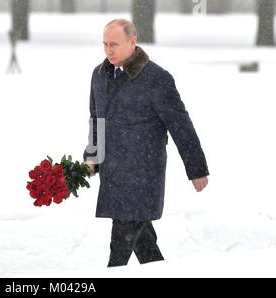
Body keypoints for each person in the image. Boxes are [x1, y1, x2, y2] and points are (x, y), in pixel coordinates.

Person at [82, 19, 209, 267]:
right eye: (105, 44)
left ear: (133, 41)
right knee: (145, 247)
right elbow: (96, 121)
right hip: (114, 175)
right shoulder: (99, 75)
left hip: (143, 176)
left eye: (115, 44)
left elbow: (180, 125)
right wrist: (92, 158)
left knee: (119, 248)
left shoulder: (157, 79)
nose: (108, 51)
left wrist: (196, 168)